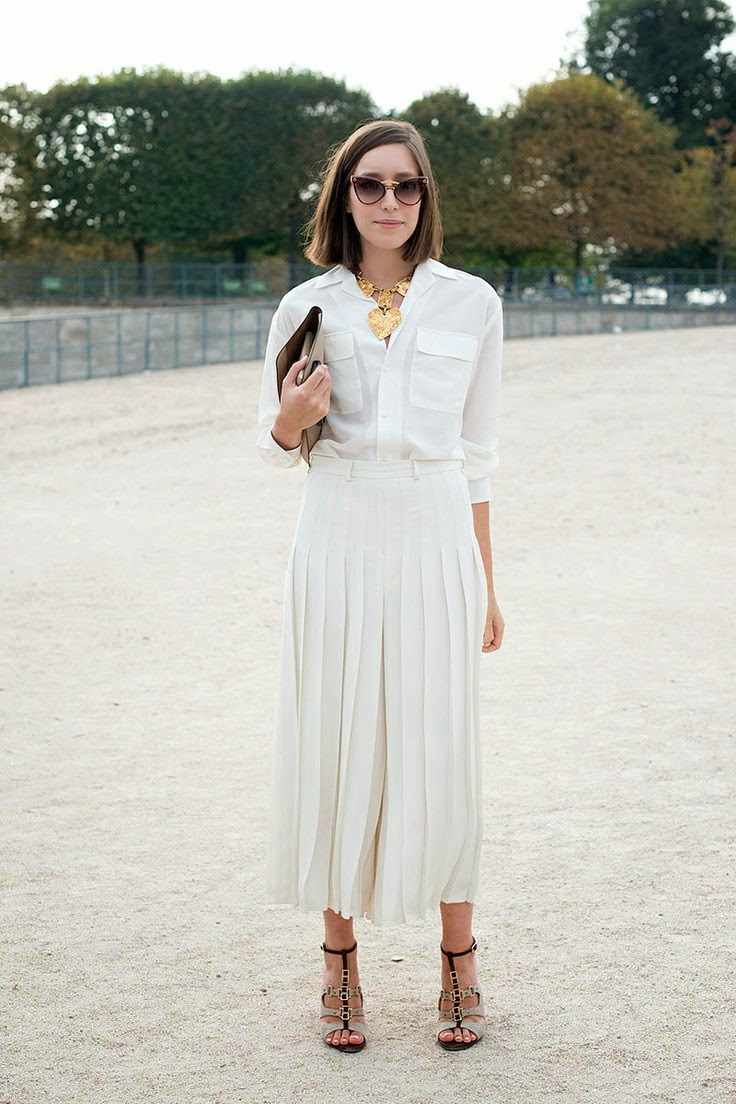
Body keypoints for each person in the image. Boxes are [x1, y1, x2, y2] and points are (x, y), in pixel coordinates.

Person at [256, 118, 505, 1053]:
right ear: (345, 198)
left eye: (406, 185)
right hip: (337, 533)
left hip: (437, 535)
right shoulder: (305, 305)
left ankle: (458, 960)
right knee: (334, 739)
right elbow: (279, 445)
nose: (389, 201)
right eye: (370, 185)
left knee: (440, 744)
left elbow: (478, 455)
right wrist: (291, 416)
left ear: (425, 195)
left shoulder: (472, 304)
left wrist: (486, 583)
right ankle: (339, 962)